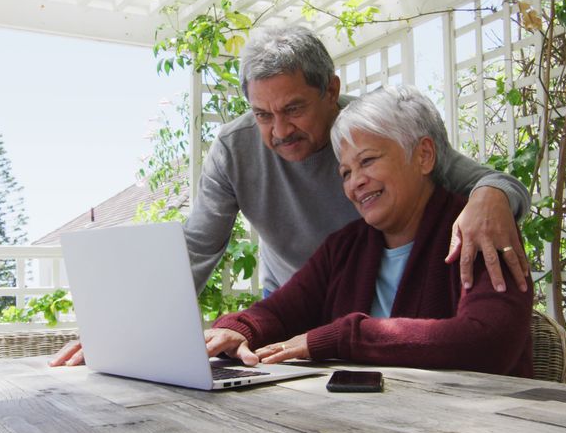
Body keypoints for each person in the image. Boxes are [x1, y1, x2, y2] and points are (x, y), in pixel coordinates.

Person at [51, 27, 530, 367]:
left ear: (331, 92)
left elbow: (480, 182)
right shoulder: (340, 240)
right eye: (262, 114)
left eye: (294, 108)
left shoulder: (376, 127)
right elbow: (202, 250)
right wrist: (128, 332)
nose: (279, 131)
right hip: (309, 308)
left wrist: (492, 196)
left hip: (371, 336)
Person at [205, 86, 533, 375]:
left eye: (368, 161)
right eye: (346, 172)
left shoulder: (479, 229)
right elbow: (280, 311)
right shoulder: (345, 248)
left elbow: (488, 343)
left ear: (423, 155)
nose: (355, 183)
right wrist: (240, 329)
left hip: (482, 431)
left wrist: (342, 337)